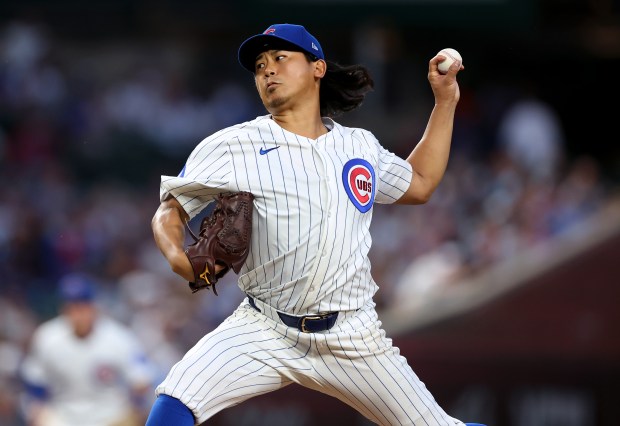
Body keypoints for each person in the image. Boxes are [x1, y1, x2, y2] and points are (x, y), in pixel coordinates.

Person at [147, 23, 471, 426]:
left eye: (281, 59)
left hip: (353, 333)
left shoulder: (359, 146)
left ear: (317, 68)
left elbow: (420, 183)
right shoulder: (232, 145)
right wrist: (178, 256)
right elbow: (169, 211)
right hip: (264, 327)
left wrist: (445, 101)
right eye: (260, 66)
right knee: (174, 403)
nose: (267, 71)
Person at [19, 273, 156, 426]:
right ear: (63, 309)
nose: (78, 314)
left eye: (83, 306)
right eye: (73, 307)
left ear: (93, 307)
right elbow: (35, 381)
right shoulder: (47, 337)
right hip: (63, 415)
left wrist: (136, 405)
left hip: (111, 416)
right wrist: (37, 409)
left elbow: (141, 379)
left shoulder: (118, 337)